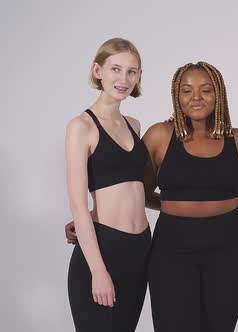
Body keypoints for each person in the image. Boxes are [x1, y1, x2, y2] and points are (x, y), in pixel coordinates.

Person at [141, 61, 238, 331]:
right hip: (172, 249)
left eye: (206, 90)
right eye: (186, 91)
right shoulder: (159, 136)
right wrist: (92, 217)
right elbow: (137, 193)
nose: (196, 98)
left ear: (219, 95)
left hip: (229, 250)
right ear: (176, 96)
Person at [66, 38, 151, 332]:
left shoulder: (135, 125)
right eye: (116, 69)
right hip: (104, 249)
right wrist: (98, 271)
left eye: (131, 71)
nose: (123, 79)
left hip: (140, 248)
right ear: (98, 70)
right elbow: (78, 204)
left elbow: (135, 189)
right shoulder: (81, 127)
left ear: (139, 75)